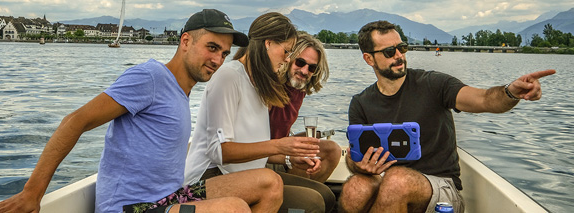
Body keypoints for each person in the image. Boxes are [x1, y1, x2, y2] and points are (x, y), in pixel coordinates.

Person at [0, 9, 285, 213]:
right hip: (133, 207)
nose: (218, 60)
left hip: (169, 198)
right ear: (185, 41)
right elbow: (75, 121)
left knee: (268, 182)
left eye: (223, 53)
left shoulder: (183, 90)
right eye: (211, 47)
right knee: (233, 209)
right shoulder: (150, 77)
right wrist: (32, 193)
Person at [339, 20, 555, 213]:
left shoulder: (434, 84)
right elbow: (354, 156)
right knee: (354, 188)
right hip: (389, 182)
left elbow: (484, 99)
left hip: (441, 188)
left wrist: (511, 91)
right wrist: (359, 165)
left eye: (402, 47)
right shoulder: (361, 102)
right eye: (389, 51)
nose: (399, 55)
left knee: (397, 181)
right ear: (369, 58)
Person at [184, 12, 323, 212]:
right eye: (286, 51)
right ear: (268, 44)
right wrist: (278, 146)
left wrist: (288, 156)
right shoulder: (229, 76)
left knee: (324, 195)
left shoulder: (260, 85)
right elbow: (218, 152)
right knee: (312, 202)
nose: (287, 59)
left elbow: (253, 147)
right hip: (209, 176)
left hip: (247, 174)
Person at [267, 33, 341, 212]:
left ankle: (298, 195)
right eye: (300, 63)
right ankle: (300, 199)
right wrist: (290, 155)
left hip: (280, 153)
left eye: (312, 67)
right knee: (320, 198)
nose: (305, 71)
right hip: (262, 158)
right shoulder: (270, 88)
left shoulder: (298, 89)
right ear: (288, 58)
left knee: (332, 150)